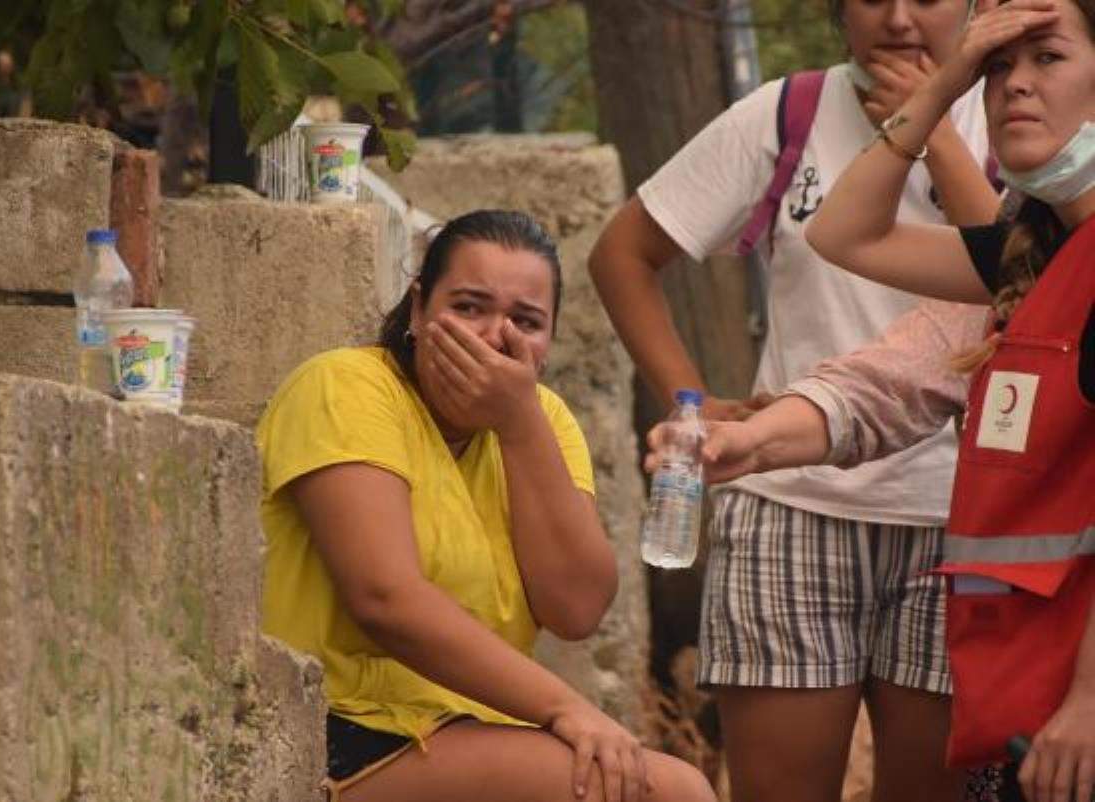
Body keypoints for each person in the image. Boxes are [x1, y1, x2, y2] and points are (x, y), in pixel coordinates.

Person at [588, 3, 1000, 801]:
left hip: (959, 517)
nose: (900, 17)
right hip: (790, 504)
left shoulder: (1018, 119)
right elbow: (623, 253)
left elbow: (1015, 282)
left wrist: (935, 127)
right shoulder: (788, 112)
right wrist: (694, 402)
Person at [698, 2, 1093, 799]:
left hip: (1075, 717)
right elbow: (848, 241)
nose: (1013, 85)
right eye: (996, 68)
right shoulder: (1032, 253)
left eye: (1046, 59)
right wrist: (946, 79)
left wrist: (1092, 699)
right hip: (1027, 699)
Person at [257, 210, 715, 802]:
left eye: (526, 321)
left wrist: (518, 422)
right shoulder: (344, 387)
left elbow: (576, 609)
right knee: (673, 793)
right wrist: (566, 708)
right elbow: (385, 599)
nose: (496, 336)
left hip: (472, 727)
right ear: (419, 309)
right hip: (342, 724)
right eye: (469, 307)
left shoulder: (541, 418)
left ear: (548, 342)